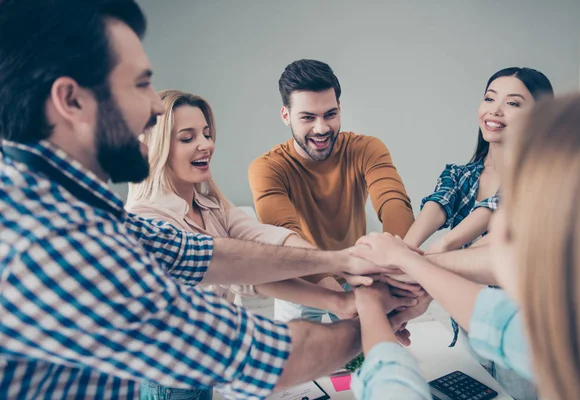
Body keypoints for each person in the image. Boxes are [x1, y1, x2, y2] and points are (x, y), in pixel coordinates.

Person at [0, 1, 417, 398]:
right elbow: (254, 356)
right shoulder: (58, 243)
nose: (154, 108)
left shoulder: (80, 211)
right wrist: (373, 310)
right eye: (140, 84)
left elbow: (214, 254)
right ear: (71, 100)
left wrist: (345, 264)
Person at [126, 89, 393, 399]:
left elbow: (266, 244)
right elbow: (237, 270)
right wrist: (342, 265)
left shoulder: (211, 204)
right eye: (187, 138)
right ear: (156, 146)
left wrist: (338, 296)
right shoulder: (148, 219)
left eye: (207, 133)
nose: (206, 144)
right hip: (171, 377)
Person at [350, 89, 580, 400]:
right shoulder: (563, 338)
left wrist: (377, 297)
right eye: (491, 98)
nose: (499, 228)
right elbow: (495, 319)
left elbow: (395, 390)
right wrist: (406, 262)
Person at [249, 59, 415, 321]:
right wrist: (334, 293)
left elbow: (393, 202)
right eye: (307, 117)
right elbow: (283, 232)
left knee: (360, 357)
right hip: (301, 279)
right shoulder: (267, 168)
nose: (321, 128)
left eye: (330, 114)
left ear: (340, 108)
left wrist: (393, 270)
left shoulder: (366, 148)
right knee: (304, 359)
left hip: (357, 274)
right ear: (286, 116)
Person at [404, 67, 554, 254]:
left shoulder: (543, 183)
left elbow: (468, 252)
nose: (495, 111)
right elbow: (439, 203)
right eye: (489, 99)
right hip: (448, 277)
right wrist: (402, 254)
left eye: (513, 103)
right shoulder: (458, 175)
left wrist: (429, 257)